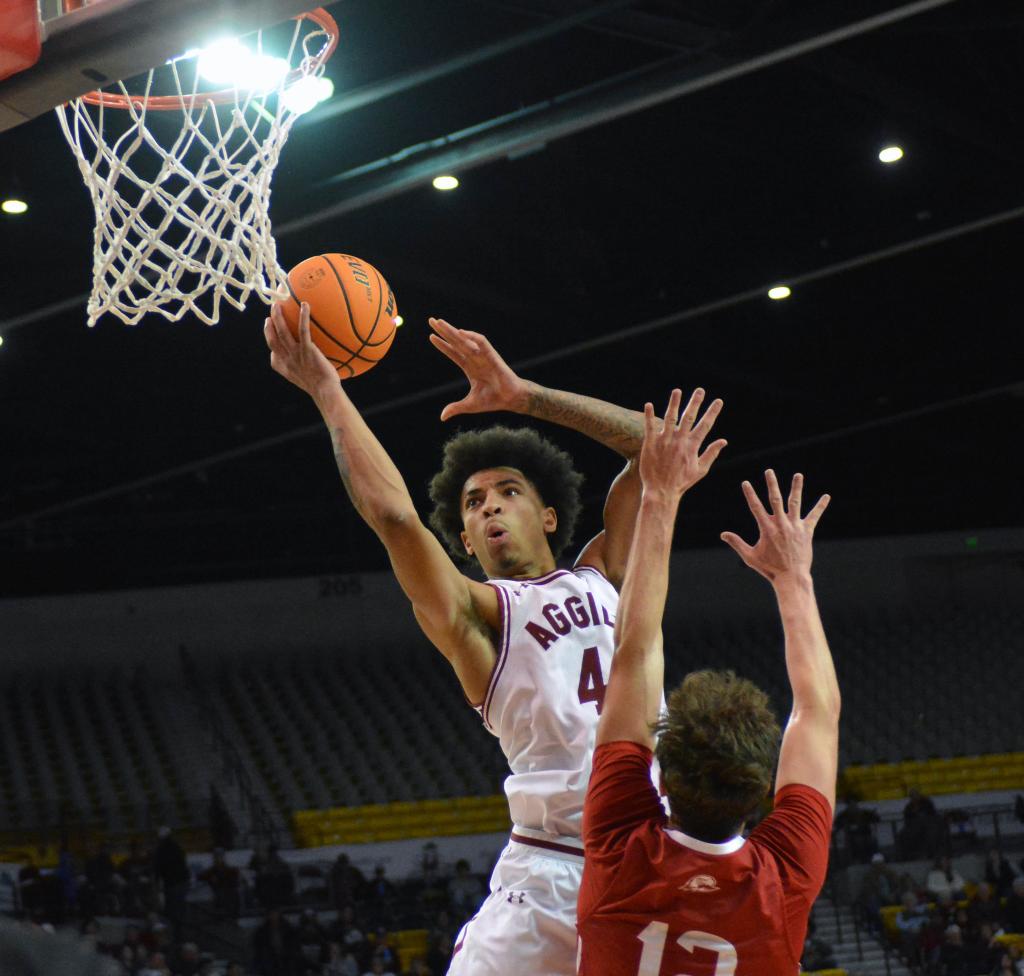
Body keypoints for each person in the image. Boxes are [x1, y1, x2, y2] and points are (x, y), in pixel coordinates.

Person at [265, 310, 649, 976]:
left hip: (651, 862)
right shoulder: (478, 615)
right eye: (473, 503)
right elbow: (392, 516)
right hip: (551, 877)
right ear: (465, 540)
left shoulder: (606, 573)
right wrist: (329, 391)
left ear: (549, 515)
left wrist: (525, 396)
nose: (490, 506)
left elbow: (653, 448)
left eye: (508, 492)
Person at [576, 391, 838, 974]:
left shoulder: (621, 848)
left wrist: (661, 495)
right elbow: (817, 713)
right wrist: (794, 579)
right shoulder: (785, 878)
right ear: (760, 791)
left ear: (660, 777)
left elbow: (634, 651)